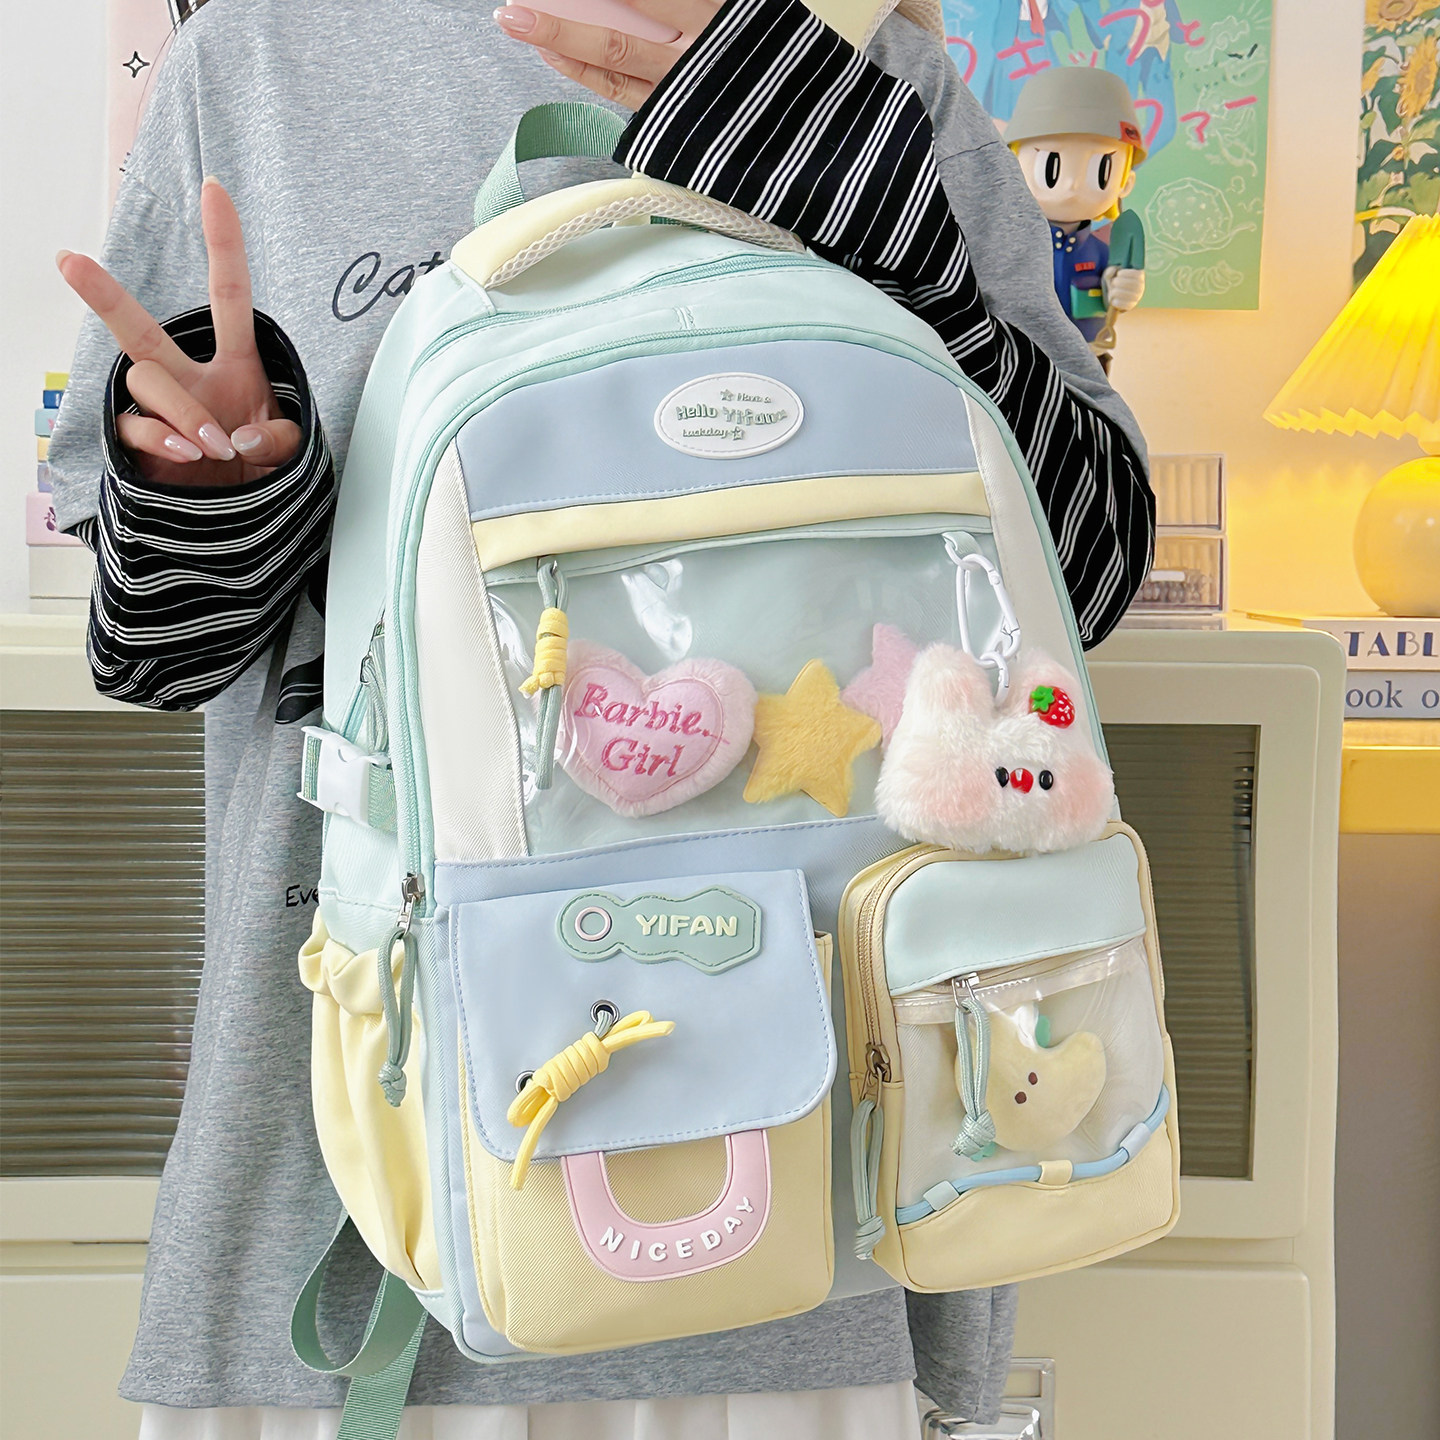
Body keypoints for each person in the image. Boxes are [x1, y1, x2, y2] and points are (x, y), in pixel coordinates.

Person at [48, 0, 1151, 1435]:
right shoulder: (262, 59)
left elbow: (1081, 564)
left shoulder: (865, 55)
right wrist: (216, 482)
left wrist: (814, 147)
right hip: (359, 1196)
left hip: (830, 1229)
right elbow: (159, 654)